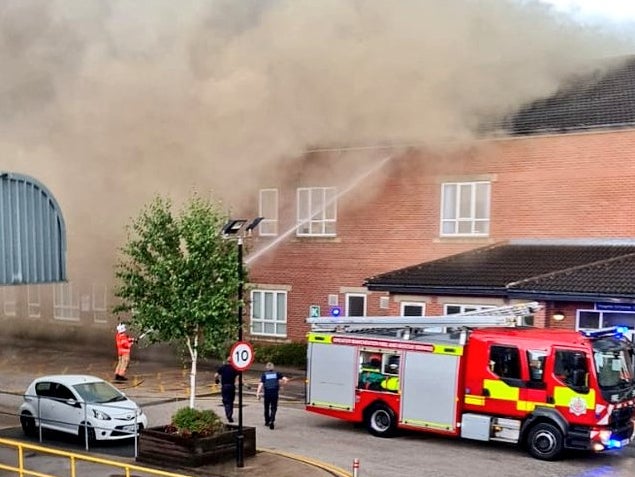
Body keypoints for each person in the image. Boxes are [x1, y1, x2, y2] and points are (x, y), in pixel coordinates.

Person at [256, 362, 288, 430]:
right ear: (273, 368)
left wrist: (258, 393)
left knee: (266, 408)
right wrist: (285, 381)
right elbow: (284, 379)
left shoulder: (264, 375)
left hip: (267, 393)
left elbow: (261, 384)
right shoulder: (277, 374)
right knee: (274, 407)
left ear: (267, 368)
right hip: (274, 393)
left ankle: (267, 421)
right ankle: (272, 420)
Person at [214, 356, 238, 422]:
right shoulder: (235, 368)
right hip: (231, 386)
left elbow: (216, 375)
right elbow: (238, 378)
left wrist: (217, 380)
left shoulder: (222, 367)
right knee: (231, 401)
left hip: (224, 386)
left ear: (226, 361)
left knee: (226, 401)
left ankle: (228, 414)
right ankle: (230, 414)